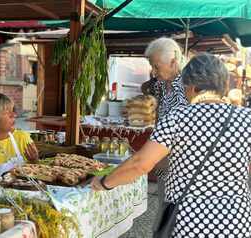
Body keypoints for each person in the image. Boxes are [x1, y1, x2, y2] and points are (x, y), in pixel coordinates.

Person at [91, 53, 251, 237]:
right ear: (224, 85)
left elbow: (140, 164)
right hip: (236, 221)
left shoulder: (177, 118)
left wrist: (105, 182)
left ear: (190, 86)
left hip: (189, 221)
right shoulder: (246, 118)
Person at [141, 37, 188, 232]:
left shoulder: (188, 87)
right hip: (163, 164)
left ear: (174, 61)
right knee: (163, 212)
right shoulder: (162, 84)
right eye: (152, 65)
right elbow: (146, 88)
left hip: (180, 165)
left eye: (156, 65)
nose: (153, 71)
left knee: (177, 217)